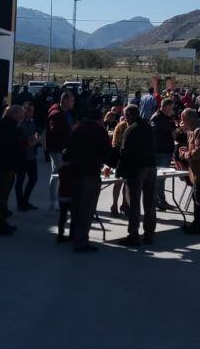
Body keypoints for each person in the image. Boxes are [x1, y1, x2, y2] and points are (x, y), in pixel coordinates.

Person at [66, 115, 112, 252]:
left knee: (75, 205)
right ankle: (81, 242)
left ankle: (74, 235)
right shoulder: (100, 131)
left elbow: (67, 150)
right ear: (100, 120)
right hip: (90, 172)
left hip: (74, 171)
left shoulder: (77, 130)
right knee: (87, 208)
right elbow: (106, 152)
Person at [117, 105, 158, 246]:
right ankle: (149, 234)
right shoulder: (148, 127)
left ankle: (133, 235)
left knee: (134, 202)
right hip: (151, 166)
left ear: (129, 115)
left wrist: (119, 170)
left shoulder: (131, 129)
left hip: (137, 168)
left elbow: (124, 152)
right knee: (150, 201)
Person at [0, 105, 25, 236]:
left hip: (3, 166)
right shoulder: (7, 127)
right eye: (20, 115)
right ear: (12, 114)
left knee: (1, 197)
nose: (22, 117)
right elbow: (10, 146)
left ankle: (1, 222)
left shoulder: (6, 126)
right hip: (1, 167)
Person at [45, 91, 75, 212]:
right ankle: (54, 202)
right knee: (56, 174)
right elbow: (55, 130)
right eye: (72, 100)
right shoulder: (56, 114)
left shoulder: (65, 112)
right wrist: (70, 129)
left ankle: (61, 199)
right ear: (65, 101)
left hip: (64, 148)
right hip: (57, 148)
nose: (74, 102)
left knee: (63, 175)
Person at [150, 98, 177, 210]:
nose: (172, 110)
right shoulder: (157, 118)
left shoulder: (166, 118)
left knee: (162, 178)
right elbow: (157, 134)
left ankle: (160, 200)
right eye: (171, 108)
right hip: (160, 151)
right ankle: (158, 201)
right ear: (165, 107)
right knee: (159, 178)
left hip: (165, 150)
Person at [14, 101, 41, 211]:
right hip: (22, 155)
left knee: (33, 178)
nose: (31, 113)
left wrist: (37, 139)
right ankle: (20, 203)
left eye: (32, 111)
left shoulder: (32, 122)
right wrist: (28, 141)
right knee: (20, 179)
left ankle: (25, 201)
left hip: (31, 155)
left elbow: (35, 134)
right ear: (24, 110)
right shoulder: (19, 123)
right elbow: (18, 139)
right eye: (29, 110)